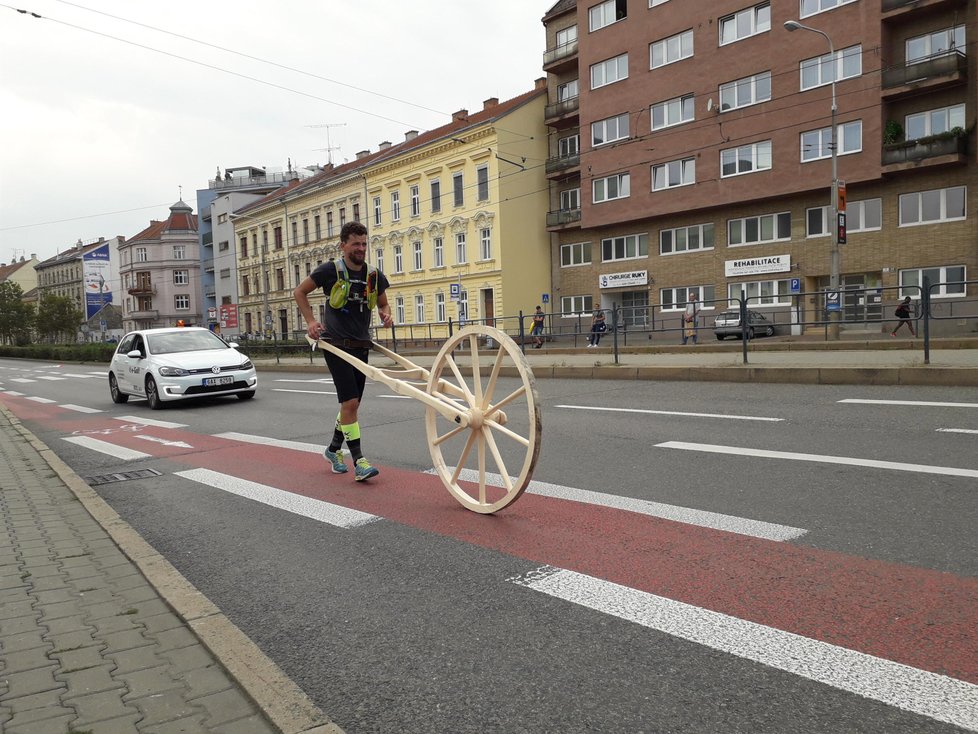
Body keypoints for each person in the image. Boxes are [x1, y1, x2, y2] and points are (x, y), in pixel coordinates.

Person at [294, 221, 393, 482]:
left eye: (364, 243)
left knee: (353, 405)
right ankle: (359, 461)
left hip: (361, 345)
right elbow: (300, 292)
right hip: (335, 345)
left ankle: (333, 449)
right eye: (356, 244)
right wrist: (312, 322)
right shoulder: (330, 270)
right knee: (349, 403)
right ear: (343, 245)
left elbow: (383, 303)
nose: (361, 248)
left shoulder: (373, 274)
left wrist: (386, 314)